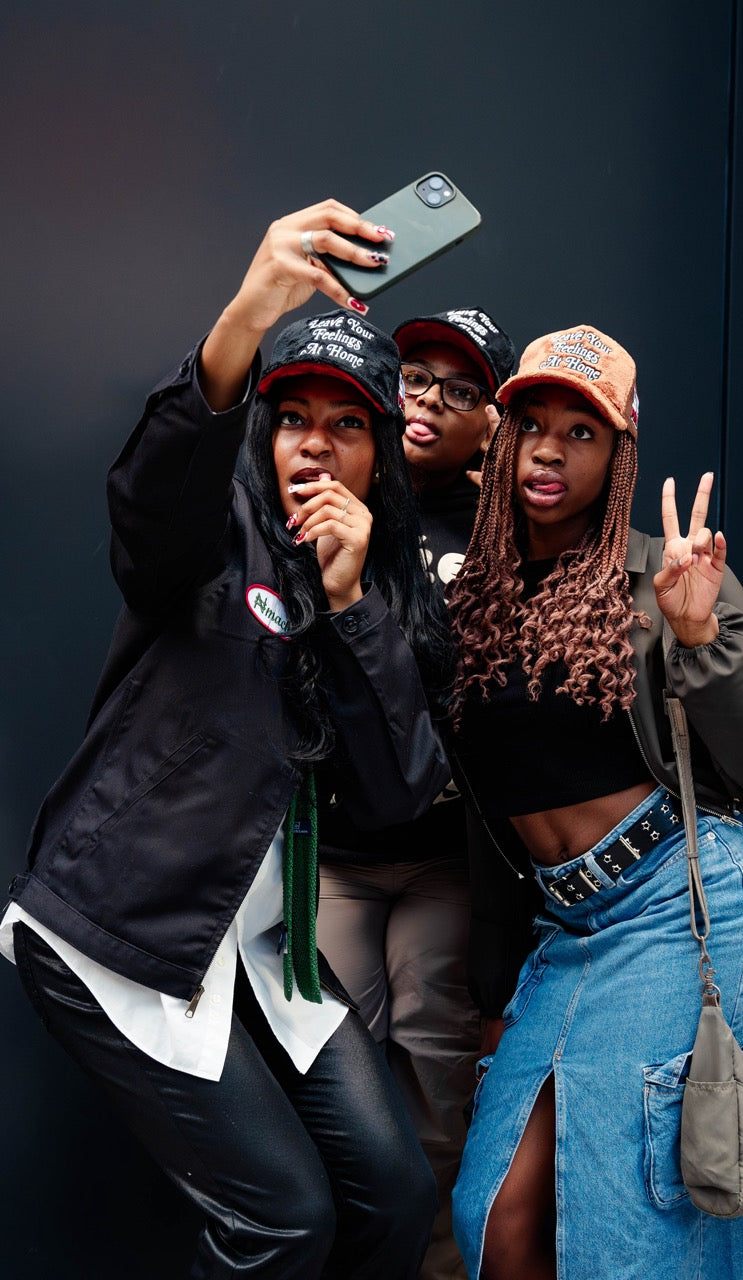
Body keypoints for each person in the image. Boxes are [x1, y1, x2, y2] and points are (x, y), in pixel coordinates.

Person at [0, 200, 454, 1280]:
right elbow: (152, 502)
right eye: (292, 417)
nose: (316, 443)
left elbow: (397, 793)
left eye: (347, 425)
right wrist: (246, 316)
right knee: (282, 1219)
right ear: (264, 432)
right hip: (118, 925)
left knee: (396, 1192)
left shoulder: (381, 588)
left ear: (379, 456)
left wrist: (349, 604)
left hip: (261, 945)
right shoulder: (213, 532)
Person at [446, 325, 743, 1280]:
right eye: (532, 425)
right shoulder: (472, 598)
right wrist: (492, 984)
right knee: (496, 1216)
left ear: (619, 456)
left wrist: (698, 639)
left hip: (690, 899)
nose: (549, 450)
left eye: (581, 433)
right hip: (570, 922)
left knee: (626, 1235)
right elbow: (491, 819)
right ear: (501, 439)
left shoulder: (665, 575)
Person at [316, 308, 516, 1280]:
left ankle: (434, 1267)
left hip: (444, 857)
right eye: (413, 376)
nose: (429, 399)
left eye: (460, 388)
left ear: (492, 423)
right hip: (337, 851)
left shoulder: (507, 526)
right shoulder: (337, 491)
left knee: (438, 1076)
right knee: (337, 1076)